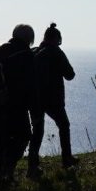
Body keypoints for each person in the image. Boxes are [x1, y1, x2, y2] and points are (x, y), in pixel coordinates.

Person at [0, 24, 37, 191]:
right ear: (29, 38)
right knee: (23, 136)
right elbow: (30, 84)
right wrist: (33, 106)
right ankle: (7, 171)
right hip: (16, 105)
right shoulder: (27, 55)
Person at [28, 23, 79, 176]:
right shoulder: (56, 52)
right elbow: (70, 75)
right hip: (53, 99)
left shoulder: (34, 51)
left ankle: (32, 167)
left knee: (37, 131)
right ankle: (67, 159)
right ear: (57, 38)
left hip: (35, 98)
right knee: (64, 125)